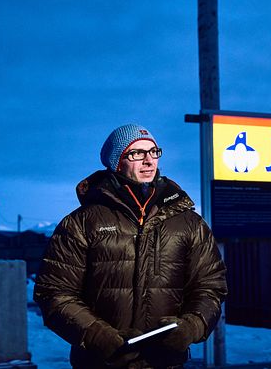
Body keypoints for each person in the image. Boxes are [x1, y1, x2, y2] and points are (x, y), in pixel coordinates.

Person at [34, 123, 227, 368]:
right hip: (101, 362)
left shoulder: (189, 223)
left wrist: (191, 326)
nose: (148, 160)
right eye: (137, 153)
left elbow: (210, 286)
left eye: (153, 151)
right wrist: (98, 336)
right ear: (117, 162)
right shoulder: (82, 223)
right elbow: (54, 293)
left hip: (165, 363)